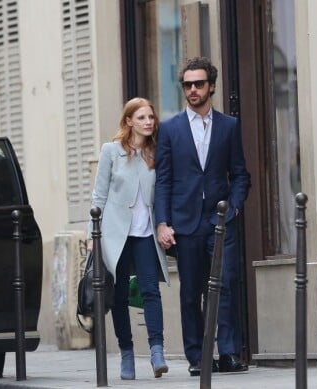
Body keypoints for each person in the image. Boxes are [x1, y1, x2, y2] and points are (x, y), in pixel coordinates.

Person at [154, 56, 250, 377]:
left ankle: (229, 353)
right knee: (191, 291)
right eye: (187, 85)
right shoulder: (170, 129)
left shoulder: (229, 126)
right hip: (185, 223)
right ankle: (197, 356)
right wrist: (162, 223)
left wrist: (233, 207)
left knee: (224, 286)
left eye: (198, 84)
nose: (192, 90)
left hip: (220, 222)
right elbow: (163, 180)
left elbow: (239, 174)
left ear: (211, 86)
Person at [88, 97, 170, 380]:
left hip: (145, 234)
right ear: (128, 122)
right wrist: (93, 235)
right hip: (115, 235)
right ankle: (126, 353)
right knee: (119, 296)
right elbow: (98, 196)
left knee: (150, 292)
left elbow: (163, 193)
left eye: (151, 117)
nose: (149, 122)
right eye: (142, 118)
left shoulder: (157, 153)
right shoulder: (111, 151)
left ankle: (157, 350)